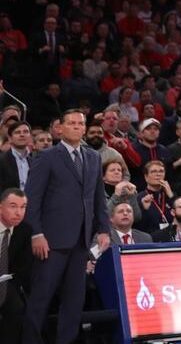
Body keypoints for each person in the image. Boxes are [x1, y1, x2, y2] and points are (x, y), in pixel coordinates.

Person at [22, 109, 111, 344]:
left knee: (74, 300)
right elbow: (33, 199)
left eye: (80, 124)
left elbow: (98, 198)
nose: (76, 127)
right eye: (71, 123)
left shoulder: (93, 157)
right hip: (51, 241)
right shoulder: (47, 157)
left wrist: (103, 228)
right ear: (59, 128)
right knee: (41, 298)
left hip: (81, 240)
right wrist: (37, 233)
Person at [1, 188, 36, 344]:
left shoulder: (25, 230)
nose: (19, 212)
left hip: (7, 283)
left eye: (23, 207)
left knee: (17, 308)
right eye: (13, 206)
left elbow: (22, 268)